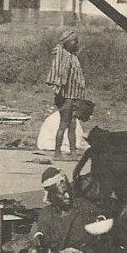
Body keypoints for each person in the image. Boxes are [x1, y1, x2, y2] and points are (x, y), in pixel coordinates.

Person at [7, 168, 113, 253]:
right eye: (62, 194)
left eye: (68, 191)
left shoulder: (82, 206)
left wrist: (100, 221)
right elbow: (41, 234)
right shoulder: (46, 214)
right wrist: (40, 239)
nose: (67, 196)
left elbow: (103, 215)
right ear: (51, 196)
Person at [46, 29, 87, 160]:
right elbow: (59, 70)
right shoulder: (63, 55)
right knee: (64, 124)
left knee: (73, 125)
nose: (76, 44)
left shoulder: (73, 57)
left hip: (74, 96)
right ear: (67, 43)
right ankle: (57, 153)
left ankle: (73, 152)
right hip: (66, 97)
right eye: (74, 41)